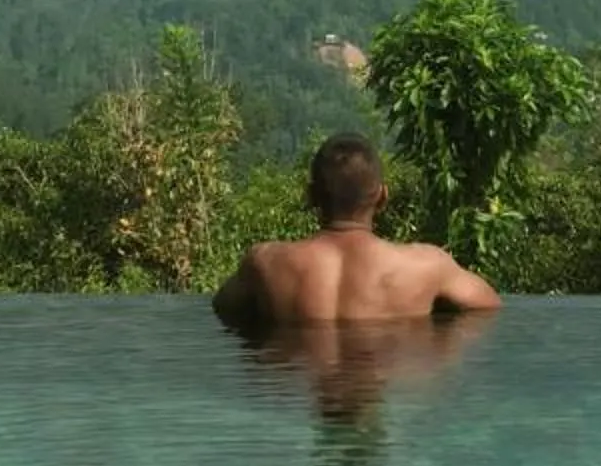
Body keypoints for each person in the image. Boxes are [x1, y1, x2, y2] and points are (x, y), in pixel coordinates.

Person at [209, 132, 502, 324]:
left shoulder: (266, 262)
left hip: (292, 394)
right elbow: (488, 305)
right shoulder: (427, 266)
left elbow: (223, 307)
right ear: (383, 196)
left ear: (311, 196)